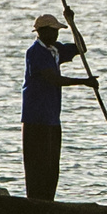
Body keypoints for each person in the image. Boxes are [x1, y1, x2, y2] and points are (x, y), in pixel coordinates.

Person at [20, 11, 97, 201]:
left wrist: (72, 22)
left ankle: (48, 203)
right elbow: (53, 79)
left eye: (57, 32)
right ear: (42, 32)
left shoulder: (55, 50)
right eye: (53, 31)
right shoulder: (36, 52)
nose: (56, 35)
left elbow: (81, 48)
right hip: (36, 119)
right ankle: (36, 204)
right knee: (38, 166)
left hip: (53, 119)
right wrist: (84, 82)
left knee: (52, 166)